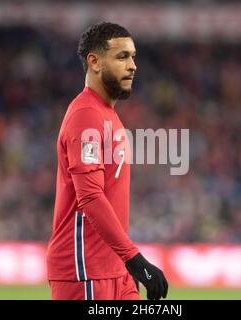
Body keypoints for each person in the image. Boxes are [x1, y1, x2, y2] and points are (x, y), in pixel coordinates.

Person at [46, 22, 168, 300]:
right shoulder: (85, 114)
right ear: (95, 62)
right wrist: (135, 260)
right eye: (122, 56)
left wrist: (125, 264)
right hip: (85, 269)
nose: (133, 65)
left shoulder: (108, 116)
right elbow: (89, 197)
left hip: (115, 269)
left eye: (133, 56)